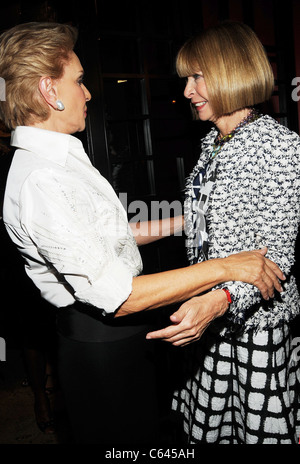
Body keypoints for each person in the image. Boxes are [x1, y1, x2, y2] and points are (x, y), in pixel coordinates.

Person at [0, 22, 285, 445]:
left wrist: (190, 219)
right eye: (79, 81)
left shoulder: (58, 163)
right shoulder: (43, 179)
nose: (89, 92)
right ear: (48, 91)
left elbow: (113, 234)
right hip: (103, 344)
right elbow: (120, 297)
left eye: (196, 76)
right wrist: (228, 268)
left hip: (126, 338)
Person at [147, 21, 300, 444]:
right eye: (187, 79)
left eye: (198, 77)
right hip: (213, 316)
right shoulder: (214, 141)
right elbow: (206, 218)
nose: (188, 91)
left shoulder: (278, 146)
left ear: (232, 72)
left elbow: (278, 256)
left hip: (255, 323)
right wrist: (139, 229)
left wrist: (222, 299)